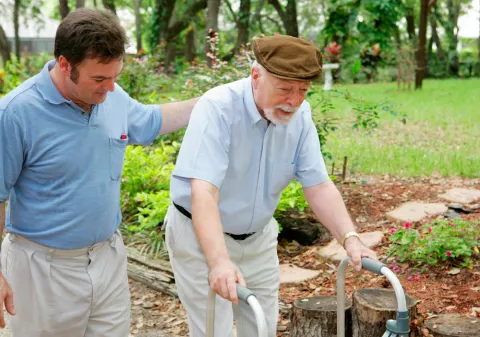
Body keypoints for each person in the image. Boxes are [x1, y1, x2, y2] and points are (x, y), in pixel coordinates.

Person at [0, 8, 198, 337]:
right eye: (99, 79)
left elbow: (149, 120)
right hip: (41, 271)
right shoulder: (14, 113)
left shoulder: (111, 95)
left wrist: (210, 102)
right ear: (65, 64)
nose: (109, 88)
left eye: (115, 77)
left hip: (107, 259)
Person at [164, 34, 378, 337]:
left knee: (262, 328)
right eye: (285, 89)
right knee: (214, 331)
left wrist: (350, 238)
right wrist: (220, 262)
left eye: (303, 90)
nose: (294, 100)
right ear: (255, 77)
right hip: (200, 238)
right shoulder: (218, 108)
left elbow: (318, 185)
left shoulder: (301, 116)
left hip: (258, 238)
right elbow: (204, 193)